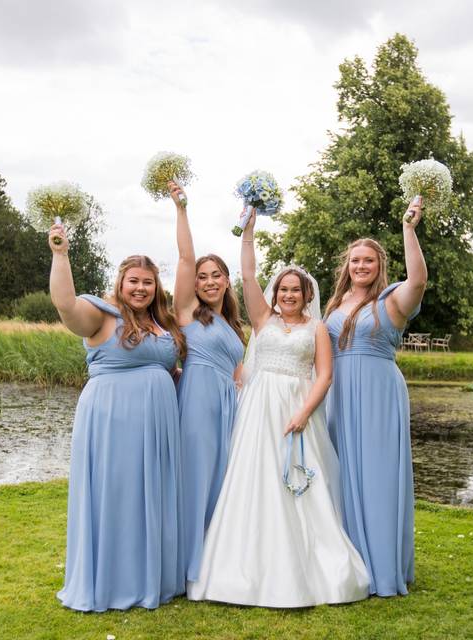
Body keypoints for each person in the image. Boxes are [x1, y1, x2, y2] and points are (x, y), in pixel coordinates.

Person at [187, 209, 369, 608]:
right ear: (276, 294)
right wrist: (249, 231)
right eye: (283, 289)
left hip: (298, 407)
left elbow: (324, 376)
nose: (288, 295)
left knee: (301, 484)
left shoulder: (317, 328)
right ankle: (242, 567)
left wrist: (303, 413)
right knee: (253, 478)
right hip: (258, 408)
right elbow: (248, 276)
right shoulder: (262, 319)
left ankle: (308, 568)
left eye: (295, 291)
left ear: (307, 295)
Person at [49, 222, 186, 612]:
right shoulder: (100, 314)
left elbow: (169, 368)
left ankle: (149, 576)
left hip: (155, 426)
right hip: (113, 421)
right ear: (120, 283)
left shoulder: (160, 323)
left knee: (149, 495)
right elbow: (65, 305)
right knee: (118, 493)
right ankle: (112, 580)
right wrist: (61, 254)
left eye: (148, 282)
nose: (141, 288)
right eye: (134, 282)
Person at [323, 196, 428, 597]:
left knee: (378, 475)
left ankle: (382, 567)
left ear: (379, 265)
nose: (361, 266)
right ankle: (348, 562)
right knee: (342, 473)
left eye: (368, 261)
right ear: (347, 267)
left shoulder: (392, 301)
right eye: (355, 261)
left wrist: (409, 228)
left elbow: (418, 280)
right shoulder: (335, 304)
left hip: (378, 392)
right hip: (340, 394)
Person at [168, 182, 246, 582]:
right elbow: (184, 258)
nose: (209, 281)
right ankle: (186, 564)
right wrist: (182, 209)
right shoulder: (187, 312)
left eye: (217, 275)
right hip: (197, 401)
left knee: (222, 477)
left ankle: (213, 559)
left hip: (227, 407)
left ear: (228, 281)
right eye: (203, 276)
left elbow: (240, 374)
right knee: (196, 476)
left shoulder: (234, 326)